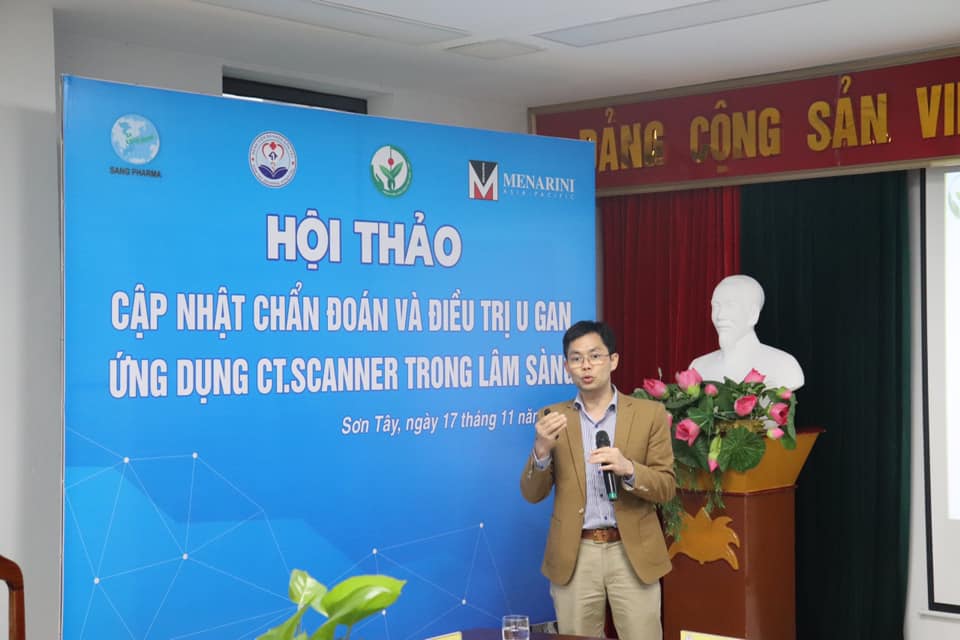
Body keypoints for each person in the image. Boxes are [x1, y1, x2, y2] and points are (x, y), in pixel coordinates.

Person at [520, 320, 675, 640]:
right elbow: (532, 494)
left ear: (613, 360)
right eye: (576, 358)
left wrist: (628, 468)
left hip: (632, 552)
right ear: (566, 367)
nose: (586, 365)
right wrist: (541, 450)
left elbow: (666, 487)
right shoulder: (552, 417)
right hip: (576, 554)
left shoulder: (649, 414)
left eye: (595, 356)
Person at [689, 274, 805, 390]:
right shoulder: (699, 367)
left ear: (753, 314)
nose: (720, 315)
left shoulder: (784, 366)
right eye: (716, 306)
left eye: (730, 305)